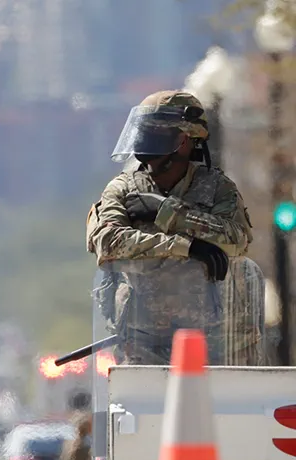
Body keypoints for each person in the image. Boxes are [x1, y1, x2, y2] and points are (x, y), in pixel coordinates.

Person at [85, 90, 257, 366]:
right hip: (142, 343)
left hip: (213, 342)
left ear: (185, 140)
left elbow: (236, 240)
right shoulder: (123, 189)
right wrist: (186, 246)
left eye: (157, 135)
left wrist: (170, 213)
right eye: (144, 134)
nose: (146, 144)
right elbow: (108, 243)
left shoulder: (217, 188)